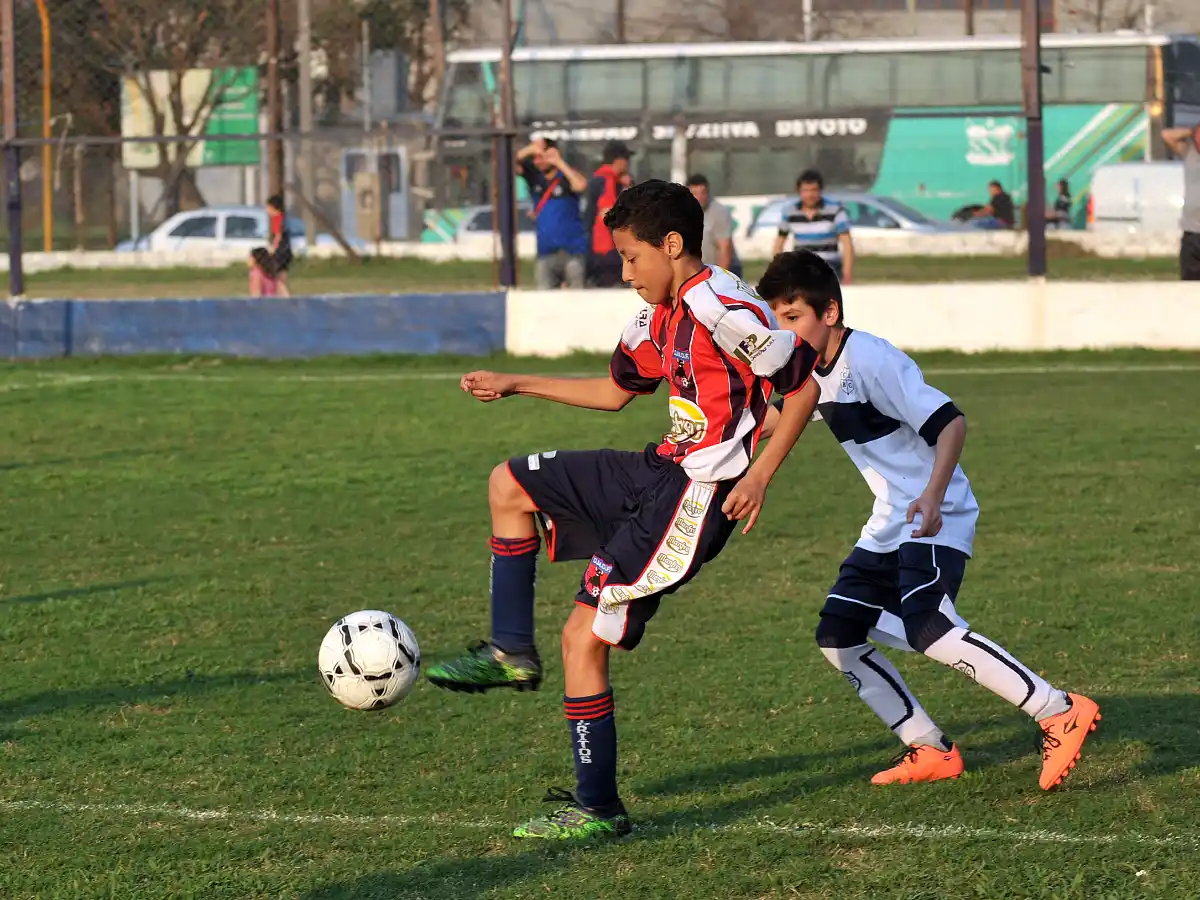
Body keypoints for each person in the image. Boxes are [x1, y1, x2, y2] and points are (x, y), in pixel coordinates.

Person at [425, 180, 820, 840]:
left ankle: (597, 807)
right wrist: (517, 382)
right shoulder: (660, 313)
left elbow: (802, 387)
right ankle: (509, 650)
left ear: (673, 245)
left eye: (632, 257)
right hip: (658, 467)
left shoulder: (722, 307)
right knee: (509, 485)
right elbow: (615, 391)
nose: (626, 272)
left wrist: (759, 473)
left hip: (696, 497)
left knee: (582, 637)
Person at [756, 249, 1101, 791]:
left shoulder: (872, 359)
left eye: (793, 316)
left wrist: (935, 496)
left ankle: (1058, 710)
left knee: (929, 626)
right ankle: (930, 748)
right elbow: (777, 417)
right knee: (838, 634)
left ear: (829, 312)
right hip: (889, 520)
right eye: (776, 319)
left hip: (936, 513)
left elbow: (951, 423)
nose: (785, 331)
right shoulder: (808, 372)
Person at [517, 138, 591, 290]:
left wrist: (559, 162)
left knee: (577, 296)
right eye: (535, 158)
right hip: (546, 252)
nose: (538, 162)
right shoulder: (534, 178)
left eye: (541, 157)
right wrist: (530, 149)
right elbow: (508, 163)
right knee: (544, 297)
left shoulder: (566, 176)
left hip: (572, 251)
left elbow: (580, 185)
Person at [772, 169, 854, 284]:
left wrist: (847, 273)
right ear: (799, 191)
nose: (810, 195)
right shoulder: (790, 213)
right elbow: (779, 243)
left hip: (829, 271)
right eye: (805, 190)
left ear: (820, 190)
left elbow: (847, 244)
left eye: (814, 190)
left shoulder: (835, 210)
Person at [584, 141, 634, 287]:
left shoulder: (603, 180)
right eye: (626, 159)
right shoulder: (605, 181)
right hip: (606, 249)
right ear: (619, 161)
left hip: (601, 248)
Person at [1161, 123, 1200, 280]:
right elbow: (1166, 135)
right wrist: (1191, 131)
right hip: (1191, 231)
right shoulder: (1190, 152)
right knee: (1189, 282)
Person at [686, 173, 742, 278]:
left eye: (703, 193)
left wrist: (720, 277)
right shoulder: (683, 213)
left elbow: (725, 248)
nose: (700, 197)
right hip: (700, 271)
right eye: (695, 194)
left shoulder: (719, 213)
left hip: (724, 270)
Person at [265, 194, 293, 297]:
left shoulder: (276, 218)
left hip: (280, 251)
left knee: (278, 279)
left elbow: (278, 236)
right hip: (287, 251)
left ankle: (286, 298)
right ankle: (283, 297)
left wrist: (273, 248)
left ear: (273, 207)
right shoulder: (284, 217)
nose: (266, 210)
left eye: (268, 207)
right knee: (282, 277)